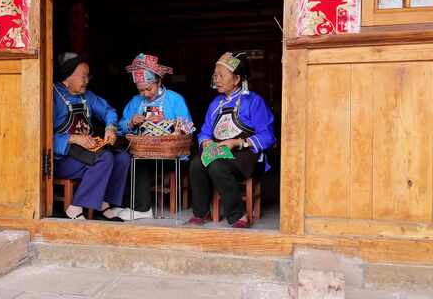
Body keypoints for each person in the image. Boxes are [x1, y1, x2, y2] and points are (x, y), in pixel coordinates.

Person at [187, 51, 276, 228]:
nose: (216, 79)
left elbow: (268, 136)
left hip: (246, 153)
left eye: (221, 75)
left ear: (236, 79)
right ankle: (201, 212)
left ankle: (238, 215)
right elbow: (205, 131)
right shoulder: (215, 104)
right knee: (197, 164)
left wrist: (237, 142)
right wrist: (206, 142)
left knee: (217, 166)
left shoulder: (254, 101)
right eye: (215, 75)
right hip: (220, 150)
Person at [53, 52, 130, 220]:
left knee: (122, 158)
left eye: (88, 76)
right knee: (105, 158)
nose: (87, 81)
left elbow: (108, 111)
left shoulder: (86, 95)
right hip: (63, 158)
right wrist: (72, 138)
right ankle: (74, 207)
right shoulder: (52, 96)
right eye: (83, 76)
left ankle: (104, 203)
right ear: (68, 76)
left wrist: (110, 128)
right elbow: (40, 136)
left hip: (87, 153)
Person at [117, 53, 192, 220]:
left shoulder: (175, 99)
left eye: (148, 89)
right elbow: (119, 128)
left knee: (140, 161)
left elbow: (189, 128)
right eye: (141, 90)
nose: (145, 93)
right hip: (144, 149)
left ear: (159, 82)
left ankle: (142, 208)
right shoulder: (136, 101)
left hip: (170, 154)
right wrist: (131, 122)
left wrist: (169, 122)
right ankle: (125, 205)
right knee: (125, 158)